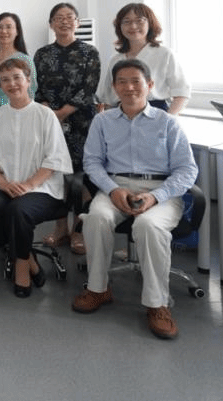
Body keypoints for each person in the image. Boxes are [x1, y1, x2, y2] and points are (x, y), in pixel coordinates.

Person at [72, 59, 197, 340]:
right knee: (97, 218)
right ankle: (97, 289)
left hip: (159, 189)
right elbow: (92, 162)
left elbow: (187, 170)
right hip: (115, 185)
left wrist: (155, 196)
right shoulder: (102, 121)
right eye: (122, 82)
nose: (129, 88)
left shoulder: (168, 123)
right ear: (114, 87)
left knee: (148, 225)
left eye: (136, 81)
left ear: (149, 85)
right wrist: (112, 190)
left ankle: (157, 304)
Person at [0, 58, 72, 298]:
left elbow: (55, 159)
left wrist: (29, 185)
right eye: (5, 80)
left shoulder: (45, 115)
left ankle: (21, 265)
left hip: (42, 187)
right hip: (4, 183)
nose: (12, 84)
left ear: (29, 80)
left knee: (18, 210)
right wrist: (2, 183)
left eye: (17, 78)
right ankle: (29, 258)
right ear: (0, 85)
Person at [34, 2, 100, 253]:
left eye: (69, 17)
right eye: (58, 18)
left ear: (78, 23)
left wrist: (63, 112)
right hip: (49, 121)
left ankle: (78, 230)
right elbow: (36, 87)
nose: (64, 21)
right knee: (57, 173)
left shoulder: (89, 52)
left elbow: (89, 87)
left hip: (82, 122)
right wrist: (49, 112)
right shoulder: (42, 54)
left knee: (81, 177)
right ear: (51, 24)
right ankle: (60, 228)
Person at [96, 3, 190, 115]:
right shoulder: (115, 59)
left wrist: (168, 119)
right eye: (126, 22)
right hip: (121, 115)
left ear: (150, 23)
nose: (133, 26)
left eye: (139, 21)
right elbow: (108, 98)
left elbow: (182, 93)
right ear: (119, 27)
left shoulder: (165, 54)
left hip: (155, 113)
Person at [0, 12, 37, 117]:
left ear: (17, 31)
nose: (4, 31)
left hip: (16, 116)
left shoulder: (25, 60)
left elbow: (31, 92)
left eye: (8, 27)